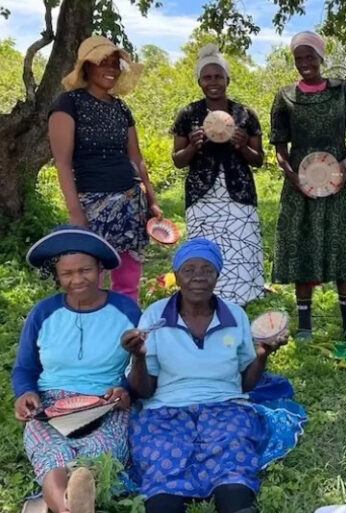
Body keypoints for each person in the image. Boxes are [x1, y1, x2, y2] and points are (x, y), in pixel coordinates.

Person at [123, 238, 305, 513]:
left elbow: (245, 384)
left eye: (207, 270)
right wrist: (138, 356)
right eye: (189, 270)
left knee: (233, 451)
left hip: (226, 405)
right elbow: (143, 391)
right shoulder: (155, 316)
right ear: (177, 276)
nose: (198, 277)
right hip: (165, 410)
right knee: (162, 457)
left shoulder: (235, 315)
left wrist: (262, 355)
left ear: (217, 275)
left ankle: (237, 505)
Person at [12, 226, 139, 513]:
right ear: (57, 275)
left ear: (100, 269)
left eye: (85, 270)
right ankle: (71, 506)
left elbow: (141, 365)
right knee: (51, 453)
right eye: (67, 273)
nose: (77, 279)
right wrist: (26, 393)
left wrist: (125, 390)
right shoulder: (43, 313)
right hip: (50, 406)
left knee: (100, 453)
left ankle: (61, 501)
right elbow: (24, 368)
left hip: (106, 404)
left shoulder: (126, 311)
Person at [269, 30, 346, 344]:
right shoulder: (285, 96)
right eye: (298, 58)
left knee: (339, 246)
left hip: (338, 181)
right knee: (303, 246)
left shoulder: (343, 91)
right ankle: (305, 328)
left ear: (321, 57)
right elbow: (280, 146)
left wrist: (345, 163)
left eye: (310, 56)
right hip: (300, 184)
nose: (304, 63)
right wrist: (292, 175)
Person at [48, 35, 162, 303]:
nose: (111, 68)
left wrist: (152, 199)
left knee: (128, 280)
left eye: (114, 63)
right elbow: (63, 163)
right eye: (103, 62)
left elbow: (136, 157)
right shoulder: (68, 103)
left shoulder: (121, 108)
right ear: (87, 67)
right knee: (89, 278)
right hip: (92, 206)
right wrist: (76, 213)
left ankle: (128, 324)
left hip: (131, 203)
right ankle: (91, 323)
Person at [171, 44, 266, 305]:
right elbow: (178, 160)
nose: (213, 82)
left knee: (241, 248)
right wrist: (193, 146)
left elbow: (259, 160)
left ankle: (240, 303)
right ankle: (207, 301)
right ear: (199, 82)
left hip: (239, 194)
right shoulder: (189, 114)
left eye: (218, 76)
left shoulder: (244, 114)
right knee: (204, 250)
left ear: (227, 79)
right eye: (207, 77)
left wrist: (242, 146)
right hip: (202, 196)